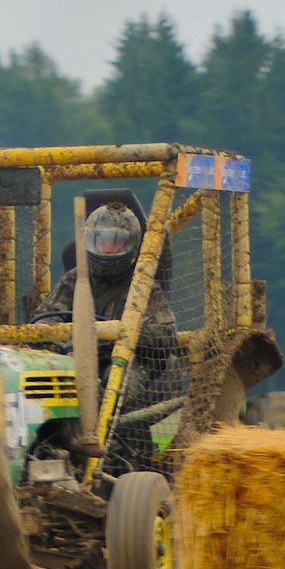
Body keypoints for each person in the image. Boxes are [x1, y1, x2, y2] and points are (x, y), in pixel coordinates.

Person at [30, 196, 185, 472]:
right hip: (75, 359)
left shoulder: (142, 285)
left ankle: (119, 461)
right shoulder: (73, 280)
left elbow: (164, 334)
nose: (108, 249)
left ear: (131, 246)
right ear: (89, 241)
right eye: (102, 241)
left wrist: (118, 336)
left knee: (111, 384)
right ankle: (45, 448)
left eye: (116, 243)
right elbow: (44, 322)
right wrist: (55, 344)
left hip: (130, 362)